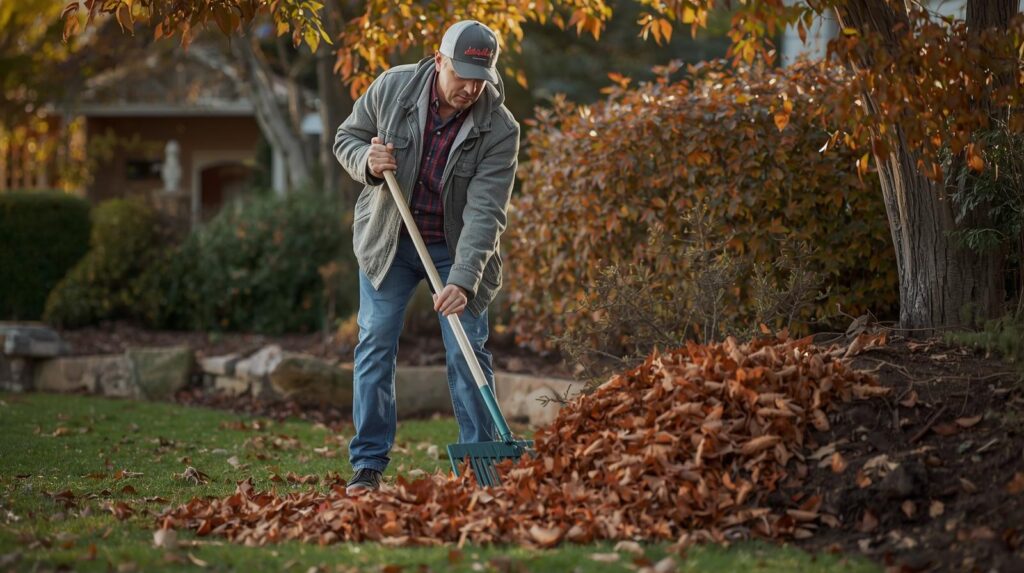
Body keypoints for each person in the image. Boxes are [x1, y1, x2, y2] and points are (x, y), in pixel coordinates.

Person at [333, 20, 520, 494]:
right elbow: (347, 138)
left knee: (467, 349)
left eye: (480, 79)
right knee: (376, 340)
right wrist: (367, 162)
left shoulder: (500, 129)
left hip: (455, 251)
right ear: (439, 61)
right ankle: (368, 464)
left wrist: (464, 279)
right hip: (390, 239)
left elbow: (486, 212)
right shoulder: (392, 89)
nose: (471, 89)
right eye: (462, 76)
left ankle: (480, 466)